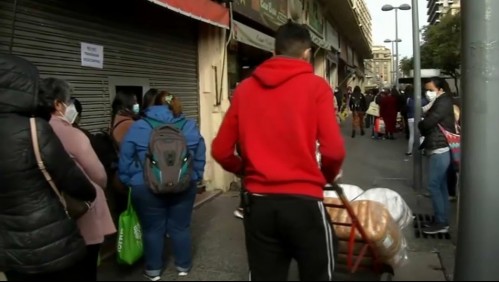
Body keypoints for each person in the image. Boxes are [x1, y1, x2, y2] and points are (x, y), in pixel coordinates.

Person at [211, 21, 345, 281]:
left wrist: (244, 169)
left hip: (259, 205)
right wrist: (326, 176)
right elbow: (334, 151)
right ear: (306, 54)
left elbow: (220, 150)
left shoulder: (245, 89)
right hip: (304, 203)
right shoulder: (316, 87)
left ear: (275, 50)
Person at [0, 55, 97, 281]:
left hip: (10, 249)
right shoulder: (34, 128)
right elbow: (72, 178)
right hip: (53, 242)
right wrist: (89, 193)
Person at [119, 90, 206, 281]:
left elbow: (125, 158)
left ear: (151, 105)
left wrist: (131, 179)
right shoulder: (189, 126)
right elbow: (199, 155)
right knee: (180, 227)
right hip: (184, 184)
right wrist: (195, 176)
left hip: (145, 186)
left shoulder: (139, 126)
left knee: (152, 228)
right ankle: (183, 266)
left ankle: (153, 271)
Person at [40, 78, 116, 281]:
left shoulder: (31, 131)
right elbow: (98, 174)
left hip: (47, 215)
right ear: (58, 104)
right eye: (68, 102)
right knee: (85, 267)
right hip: (80, 209)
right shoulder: (71, 134)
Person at [418, 77, 456, 235]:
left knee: (434, 185)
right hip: (438, 146)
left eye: (431, 89)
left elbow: (428, 123)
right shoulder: (440, 101)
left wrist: (422, 124)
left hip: (439, 147)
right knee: (441, 186)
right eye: (426, 89)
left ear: (440, 90)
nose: (428, 93)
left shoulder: (443, 102)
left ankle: (441, 222)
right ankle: (442, 218)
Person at [406, 86, 429, 156]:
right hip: (421, 118)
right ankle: (422, 151)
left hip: (410, 118)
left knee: (412, 135)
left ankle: (409, 151)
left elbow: (407, 108)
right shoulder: (424, 100)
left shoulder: (409, 99)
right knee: (421, 135)